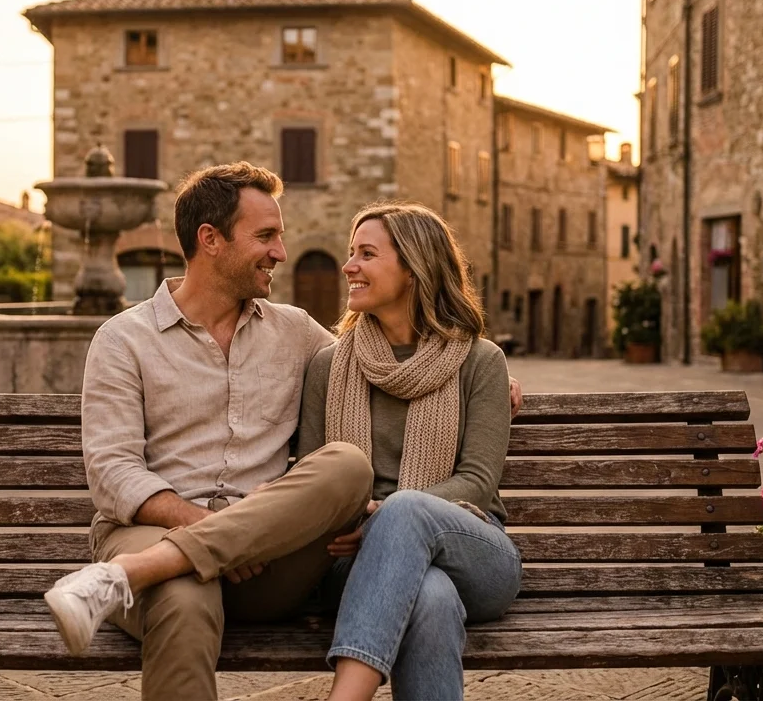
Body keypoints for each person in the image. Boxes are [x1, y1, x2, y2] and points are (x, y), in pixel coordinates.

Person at [45, 163, 521, 701]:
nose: (281, 253)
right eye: (266, 236)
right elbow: (112, 474)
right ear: (211, 240)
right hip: (160, 536)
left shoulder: (296, 332)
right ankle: (128, 573)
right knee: (181, 594)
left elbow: (397, 352)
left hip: (270, 564)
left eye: (281, 237)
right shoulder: (122, 340)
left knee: (346, 464)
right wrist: (217, 532)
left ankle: (126, 576)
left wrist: (483, 372)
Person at [296, 201, 521, 701]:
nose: (349, 266)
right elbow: (310, 481)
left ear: (414, 267)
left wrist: (381, 517)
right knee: (431, 597)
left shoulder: (480, 362)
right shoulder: (327, 367)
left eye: (367, 254)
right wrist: (367, 524)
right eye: (350, 252)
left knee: (406, 510)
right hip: (348, 563)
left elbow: (478, 484)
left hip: (474, 548)